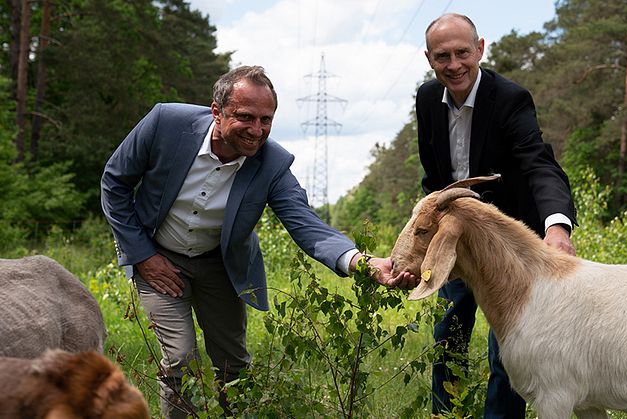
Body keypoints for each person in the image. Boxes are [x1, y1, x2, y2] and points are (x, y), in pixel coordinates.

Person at [101, 65, 417, 418]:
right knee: (181, 359)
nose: (257, 131)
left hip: (220, 265)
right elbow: (115, 182)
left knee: (233, 366)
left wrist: (363, 262)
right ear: (217, 112)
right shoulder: (166, 123)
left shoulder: (273, 164)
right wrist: (142, 255)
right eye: (246, 117)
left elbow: (307, 225)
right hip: (158, 259)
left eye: (266, 120)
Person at [416, 14, 577, 418]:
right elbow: (434, 178)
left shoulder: (509, 98)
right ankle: (445, 413)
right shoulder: (425, 100)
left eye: (462, 53)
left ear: (480, 49)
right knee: (447, 335)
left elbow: (539, 164)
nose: (453, 65)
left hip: (507, 243)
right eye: (442, 56)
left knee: (509, 349)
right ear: (429, 59)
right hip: (455, 237)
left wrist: (555, 226)